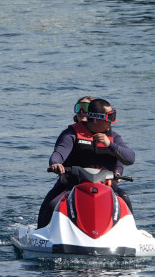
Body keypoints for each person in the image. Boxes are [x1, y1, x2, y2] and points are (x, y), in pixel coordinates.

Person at [37, 97, 135, 228]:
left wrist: (109, 145)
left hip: (107, 186)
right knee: (52, 204)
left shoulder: (114, 137)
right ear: (95, 119)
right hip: (72, 186)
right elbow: (59, 153)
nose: (112, 122)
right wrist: (56, 163)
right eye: (109, 118)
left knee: (125, 199)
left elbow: (129, 158)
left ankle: (130, 233)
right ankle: (42, 232)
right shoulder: (71, 134)